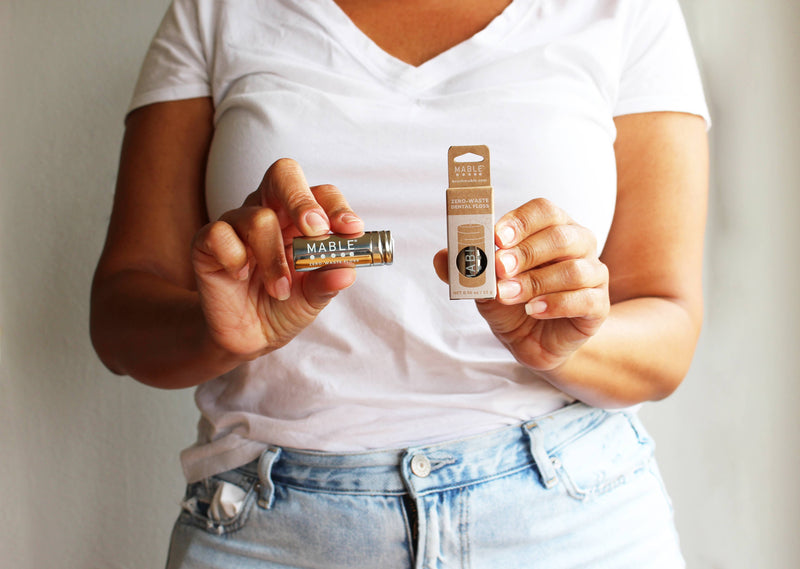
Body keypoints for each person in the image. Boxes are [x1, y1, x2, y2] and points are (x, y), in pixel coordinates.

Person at [90, 0, 709, 567]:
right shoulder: (217, 11)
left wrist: (572, 344)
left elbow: (669, 328)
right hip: (273, 531)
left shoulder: (627, 10)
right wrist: (217, 332)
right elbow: (120, 314)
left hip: (569, 521)